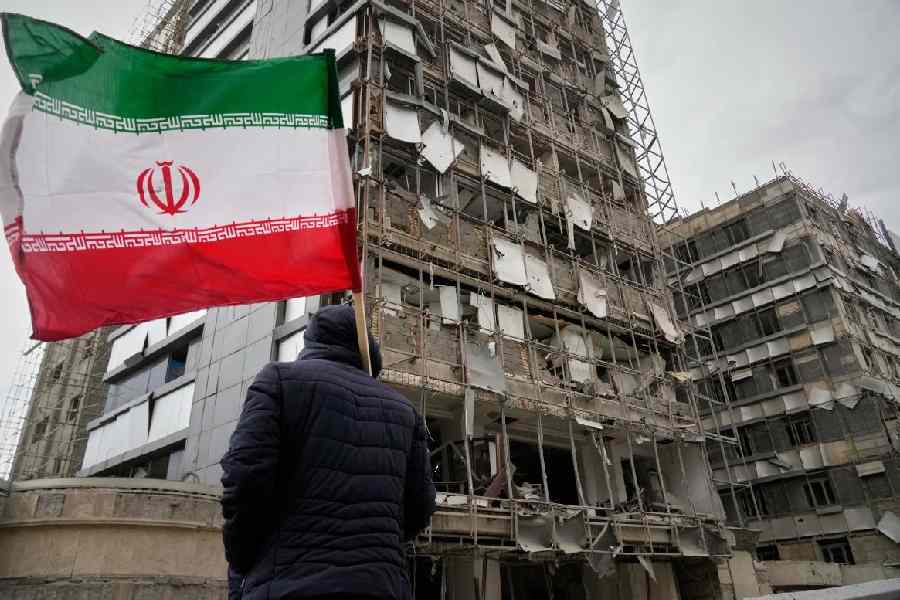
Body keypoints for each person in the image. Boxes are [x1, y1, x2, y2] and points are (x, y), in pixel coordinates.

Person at [221, 303, 436, 599]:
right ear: (365, 346)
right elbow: (420, 507)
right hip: (381, 586)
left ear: (312, 341)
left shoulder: (278, 382)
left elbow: (244, 480)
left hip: (287, 583)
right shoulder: (405, 411)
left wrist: (244, 560)